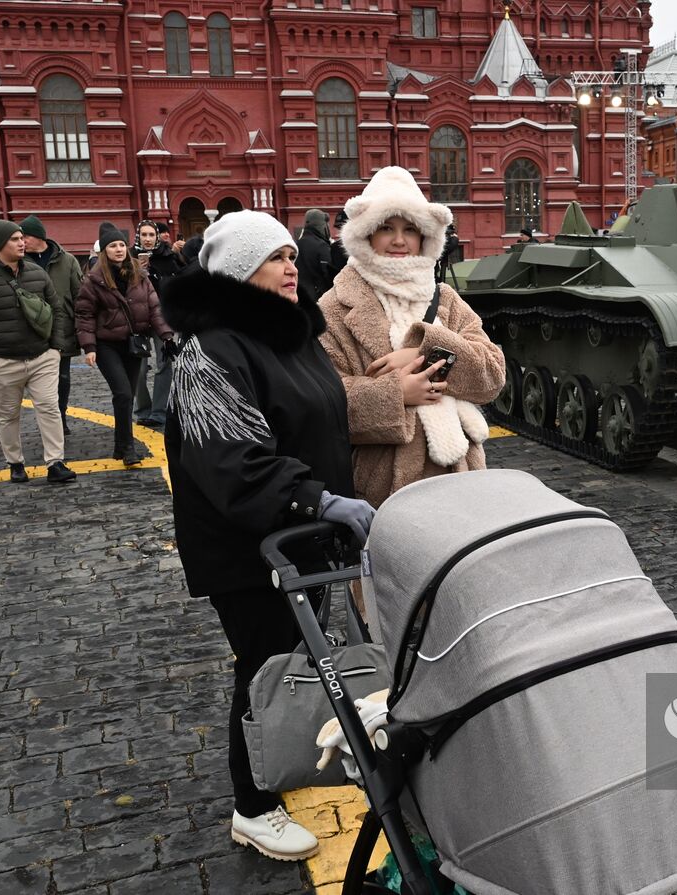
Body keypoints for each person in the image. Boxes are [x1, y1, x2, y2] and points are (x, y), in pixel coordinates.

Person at [161, 209, 374, 861]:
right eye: (276, 257)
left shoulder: (291, 335)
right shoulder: (212, 348)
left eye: (292, 253)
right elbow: (231, 457)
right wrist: (315, 495)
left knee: (301, 659)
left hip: (303, 536)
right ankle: (252, 807)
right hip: (248, 547)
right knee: (265, 668)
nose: (292, 266)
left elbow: (319, 418)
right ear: (236, 270)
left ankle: (301, 758)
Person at [318, 165, 506, 509]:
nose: (400, 240)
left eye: (410, 229)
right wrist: (396, 394)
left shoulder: (444, 298)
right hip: (386, 487)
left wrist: (427, 348)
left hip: (462, 479)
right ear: (366, 234)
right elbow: (322, 403)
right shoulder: (333, 308)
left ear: (425, 237)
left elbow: (492, 375)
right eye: (386, 227)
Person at [0, 220, 75, 483]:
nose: (22, 242)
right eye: (14, 239)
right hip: (2, 361)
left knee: (49, 408)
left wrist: (56, 348)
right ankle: (15, 462)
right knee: (8, 415)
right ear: (0, 245)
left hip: (42, 357)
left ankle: (55, 462)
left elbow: (56, 309)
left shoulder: (36, 272)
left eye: (22, 238)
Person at [77, 223, 175, 466]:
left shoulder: (139, 276)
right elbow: (84, 315)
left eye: (121, 244)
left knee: (127, 395)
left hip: (134, 343)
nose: (119, 249)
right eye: (113, 245)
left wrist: (167, 336)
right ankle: (129, 448)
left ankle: (120, 446)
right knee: (122, 392)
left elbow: (154, 308)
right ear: (104, 251)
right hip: (107, 344)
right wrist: (89, 347)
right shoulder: (94, 279)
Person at [20, 215, 82, 434]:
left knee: (62, 379)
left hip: (62, 327)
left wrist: (81, 329)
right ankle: (49, 419)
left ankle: (61, 416)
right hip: (33, 332)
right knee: (40, 382)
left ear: (38, 236)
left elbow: (79, 295)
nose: (21, 241)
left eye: (25, 236)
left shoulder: (67, 260)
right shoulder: (18, 262)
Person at [133, 220, 186, 430]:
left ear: (157, 236)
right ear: (138, 236)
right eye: (143, 235)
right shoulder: (127, 257)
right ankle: (143, 410)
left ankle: (159, 411)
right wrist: (135, 271)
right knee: (138, 367)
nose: (147, 239)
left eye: (151, 235)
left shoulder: (168, 257)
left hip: (162, 317)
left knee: (164, 364)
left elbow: (178, 285)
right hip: (136, 318)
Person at [296, 208, 335, 305]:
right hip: (319, 298)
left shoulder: (297, 244)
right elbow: (328, 273)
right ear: (322, 224)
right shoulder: (321, 246)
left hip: (299, 296)